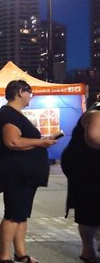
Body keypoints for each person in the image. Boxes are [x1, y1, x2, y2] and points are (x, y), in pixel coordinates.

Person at [0, 80, 57, 263]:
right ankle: (4, 256)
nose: (30, 96)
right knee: (13, 215)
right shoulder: (8, 114)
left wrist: (41, 142)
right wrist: (40, 142)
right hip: (16, 174)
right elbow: (12, 142)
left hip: (25, 175)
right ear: (20, 92)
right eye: (30, 92)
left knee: (21, 215)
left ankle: (20, 253)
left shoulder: (14, 114)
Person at [61, 100, 100, 263]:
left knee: (90, 210)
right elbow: (93, 138)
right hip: (87, 172)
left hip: (89, 170)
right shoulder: (96, 114)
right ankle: (88, 250)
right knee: (88, 210)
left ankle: (90, 249)